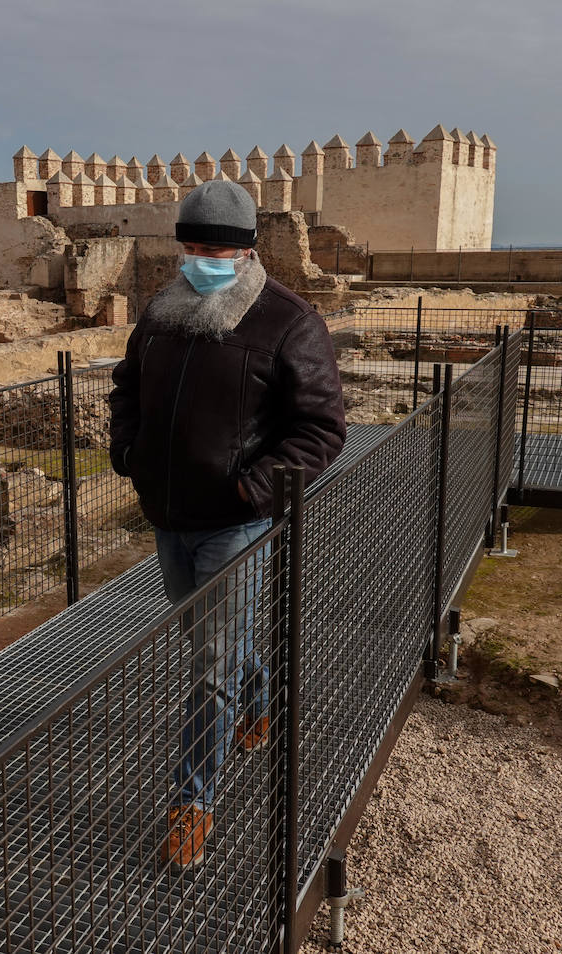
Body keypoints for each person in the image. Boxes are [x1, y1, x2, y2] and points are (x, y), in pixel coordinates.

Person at [107, 179, 346, 869]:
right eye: (188, 245)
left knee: (209, 666)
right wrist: (129, 451)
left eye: (211, 248)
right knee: (213, 641)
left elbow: (321, 428)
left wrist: (253, 488)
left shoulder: (288, 322)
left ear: (243, 252)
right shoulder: (162, 309)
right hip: (168, 516)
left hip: (235, 522)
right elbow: (128, 387)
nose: (197, 258)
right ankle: (262, 696)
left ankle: (193, 801)